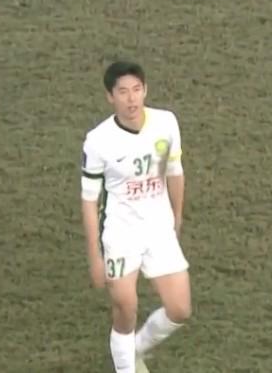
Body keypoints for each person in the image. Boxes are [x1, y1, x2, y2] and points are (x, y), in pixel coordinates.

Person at [80, 61, 192, 373]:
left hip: (158, 230)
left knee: (180, 309)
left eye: (136, 90)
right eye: (123, 92)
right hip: (120, 234)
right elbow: (89, 201)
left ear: (145, 90)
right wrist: (95, 257)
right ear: (110, 97)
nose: (131, 99)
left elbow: (175, 171)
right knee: (125, 307)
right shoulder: (98, 141)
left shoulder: (166, 123)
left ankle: (135, 350)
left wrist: (177, 216)